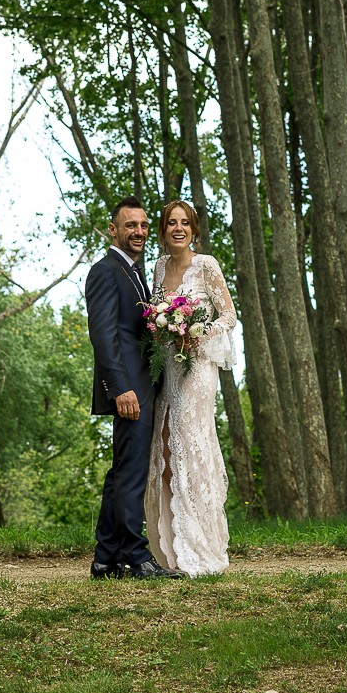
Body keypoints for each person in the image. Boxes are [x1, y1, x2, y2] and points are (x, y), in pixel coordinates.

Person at [84, 197, 179, 579]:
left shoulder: (133, 272)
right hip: (129, 391)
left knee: (122, 471)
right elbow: (104, 336)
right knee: (131, 472)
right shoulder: (105, 271)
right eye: (130, 225)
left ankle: (106, 558)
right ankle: (136, 557)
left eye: (142, 225)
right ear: (114, 230)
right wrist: (120, 388)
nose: (138, 231)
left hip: (142, 386)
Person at [145, 200, 235, 576]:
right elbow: (152, 313)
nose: (178, 229)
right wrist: (161, 326)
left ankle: (200, 545)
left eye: (185, 223)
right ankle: (169, 548)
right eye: (171, 223)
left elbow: (228, 314)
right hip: (167, 366)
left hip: (197, 367)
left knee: (190, 441)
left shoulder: (207, 265)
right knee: (165, 442)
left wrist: (199, 332)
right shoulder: (159, 266)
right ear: (164, 231)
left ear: (194, 230)